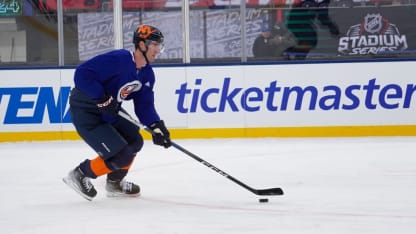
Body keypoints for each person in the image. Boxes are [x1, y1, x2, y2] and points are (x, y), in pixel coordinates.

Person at [63, 24, 172, 201]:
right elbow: (82, 74)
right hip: (87, 111)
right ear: (142, 45)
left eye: (159, 46)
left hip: (108, 111)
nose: (158, 50)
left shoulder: (147, 75)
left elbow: (144, 105)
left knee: (135, 140)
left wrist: (156, 126)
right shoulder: (119, 59)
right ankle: (81, 173)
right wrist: (101, 97)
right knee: (121, 155)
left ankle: (114, 182)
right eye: (154, 45)